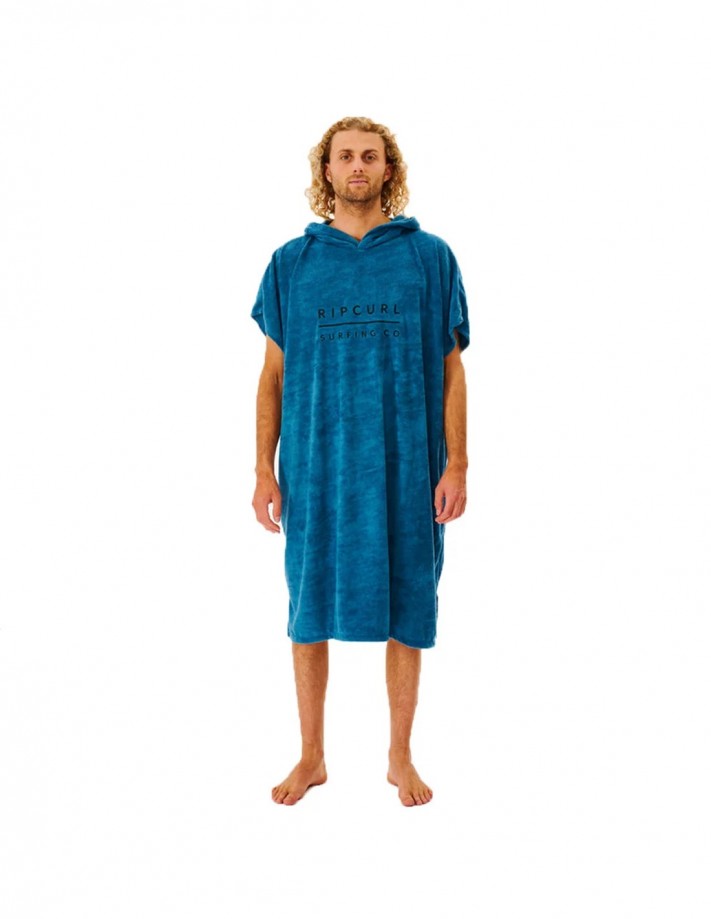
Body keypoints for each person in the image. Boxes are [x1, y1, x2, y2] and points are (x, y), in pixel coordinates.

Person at [250, 116, 470, 807]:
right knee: (307, 609)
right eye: (344, 156)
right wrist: (263, 469)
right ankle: (311, 755)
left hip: (407, 469)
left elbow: (452, 369)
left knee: (410, 604)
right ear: (326, 169)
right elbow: (272, 375)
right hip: (316, 471)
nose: (356, 166)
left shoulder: (428, 257)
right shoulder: (292, 263)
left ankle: (399, 757)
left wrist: (457, 464)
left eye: (369, 156)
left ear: (386, 168)